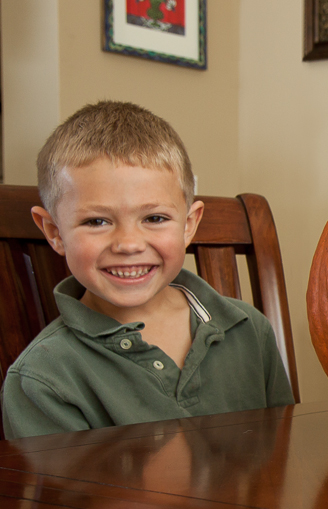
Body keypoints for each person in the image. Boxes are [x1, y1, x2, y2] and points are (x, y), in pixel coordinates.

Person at [1, 101, 295, 439]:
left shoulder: (249, 331)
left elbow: (282, 460)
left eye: (154, 218)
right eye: (97, 221)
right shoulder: (42, 379)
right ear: (54, 232)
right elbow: (66, 493)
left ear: (188, 225)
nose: (129, 244)